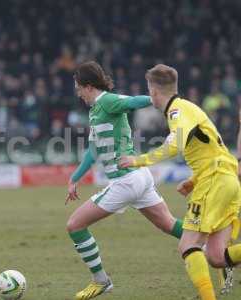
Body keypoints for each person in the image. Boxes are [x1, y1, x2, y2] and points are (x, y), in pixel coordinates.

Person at [119, 64, 241, 300]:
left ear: (153, 92)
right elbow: (215, 151)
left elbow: (174, 145)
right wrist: (194, 180)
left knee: (187, 246)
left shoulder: (177, 111)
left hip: (215, 182)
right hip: (226, 180)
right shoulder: (187, 107)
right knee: (216, 256)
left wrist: (138, 160)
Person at [66, 61, 184, 300]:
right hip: (138, 177)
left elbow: (133, 102)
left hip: (126, 181)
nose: (77, 93)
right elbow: (93, 152)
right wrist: (74, 178)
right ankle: (217, 252)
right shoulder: (95, 111)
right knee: (168, 224)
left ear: (88, 87)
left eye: (78, 88)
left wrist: (165, 100)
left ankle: (101, 281)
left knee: (75, 225)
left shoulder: (107, 101)